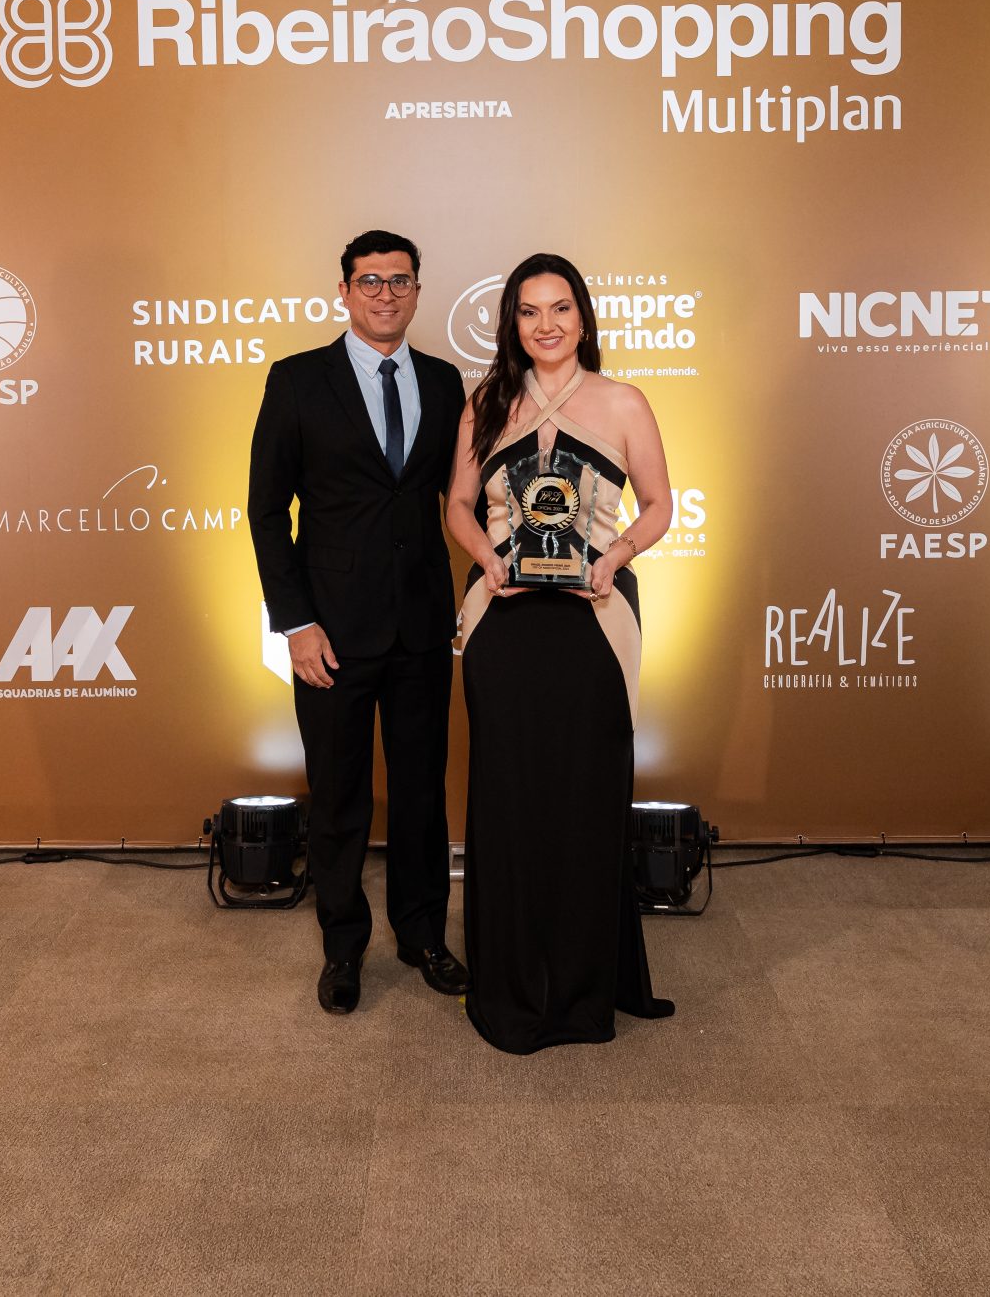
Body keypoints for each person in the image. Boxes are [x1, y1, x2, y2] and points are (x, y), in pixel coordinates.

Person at [445, 252, 676, 1053]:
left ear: (583, 316)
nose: (546, 324)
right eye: (529, 310)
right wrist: (486, 557)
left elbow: (660, 504)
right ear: (512, 322)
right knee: (509, 802)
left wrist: (617, 556)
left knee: (586, 799)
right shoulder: (486, 402)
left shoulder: (623, 401)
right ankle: (511, 987)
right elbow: (460, 505)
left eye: (560, 308)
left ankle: (582, 991)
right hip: (504, 622)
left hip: (594, 621)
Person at [248, 230, 471, 1014]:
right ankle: (342, 949)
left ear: (418, 291)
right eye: (369, 280)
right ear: (343, 291)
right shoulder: (297, 379)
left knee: (421, 795)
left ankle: (423, 936)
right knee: (338, 799)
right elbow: (267, 511)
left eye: (399, 280)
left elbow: (464, 498)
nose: (385, 293)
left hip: (422, 628)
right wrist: (296, 623)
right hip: (331, 634)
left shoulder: (444, 382)